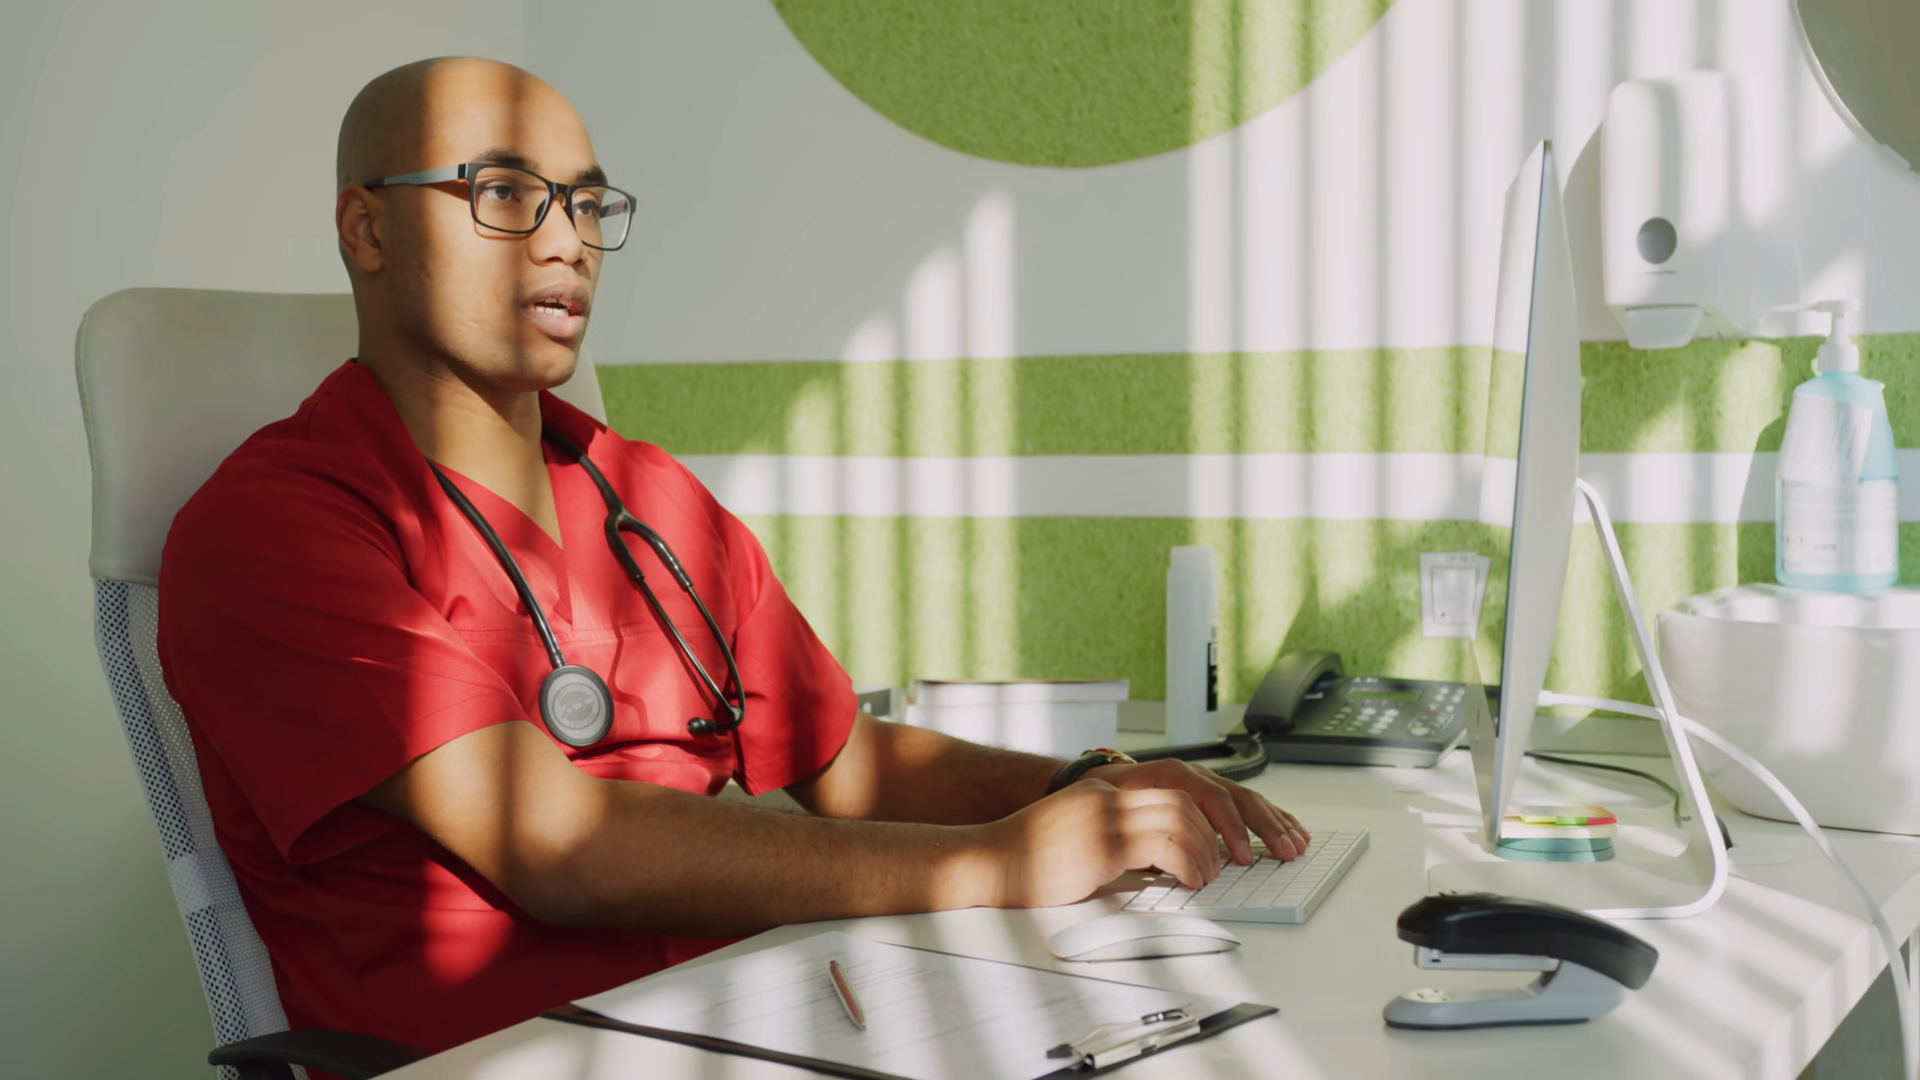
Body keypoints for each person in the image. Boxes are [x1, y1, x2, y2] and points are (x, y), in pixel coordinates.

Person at [158, 56, 1310, 1056]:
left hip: (780, 1009)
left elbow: (846, 762)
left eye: (588, 202)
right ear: (366, 228)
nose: (566, 240)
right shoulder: (275, 528)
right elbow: (557, 847)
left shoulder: (646, 496)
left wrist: (1081, 793)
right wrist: (994, 864)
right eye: (504, 192)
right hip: (522, 1055)